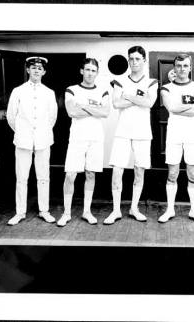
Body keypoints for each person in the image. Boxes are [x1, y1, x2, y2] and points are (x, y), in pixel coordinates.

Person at [103, 46, 158, 225]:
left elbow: (149, 103)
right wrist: (136, 99)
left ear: (144, 61)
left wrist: (128, 97)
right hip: (123, 132)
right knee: (117, 170)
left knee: (139, 170)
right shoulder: (119, 81)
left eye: (137, 59)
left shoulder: (151, 82)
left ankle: (134, 208)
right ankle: (116, 210)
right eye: (131, 59)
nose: (134, 62)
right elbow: (117, 104)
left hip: (142, 133)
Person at [57, 58, 110, 227]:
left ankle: (87, 211)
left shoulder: (103, 91)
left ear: (97, 73)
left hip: (95, 138)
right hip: (77, 138)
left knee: (90, 174)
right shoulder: (71, 90)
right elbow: (72, 111)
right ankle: (66, 213)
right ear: (82, 71)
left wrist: (84, 106)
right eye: (87, 70)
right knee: (71, 175)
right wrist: (95, 109)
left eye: (93, 70)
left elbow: (106, 112)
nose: (90, 73)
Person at [6, 56, 58, 225]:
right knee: (21, 177)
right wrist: (23, 132)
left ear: (44, 71)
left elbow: (52, 117)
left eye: (39, 68)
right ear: (28, 70)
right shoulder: (18, 91)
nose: (36, 70)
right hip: (23, 140)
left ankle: (44, 210)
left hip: (43, 140)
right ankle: (20, 212)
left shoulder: (49, 93)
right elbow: (11, 117)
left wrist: (40, 133)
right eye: (33, 67)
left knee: (43, 176)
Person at [157, 54, 194, 224]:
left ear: (190, 68)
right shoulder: (166, 88)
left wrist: (179, 108)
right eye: (179, 66)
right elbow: (170, 107)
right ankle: (170, 209)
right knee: (172, 174)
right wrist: (190, 106)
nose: (182, 69)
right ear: (174, 68)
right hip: (174, 135)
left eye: (185, 66)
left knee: (193, 174)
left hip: (192, 135)